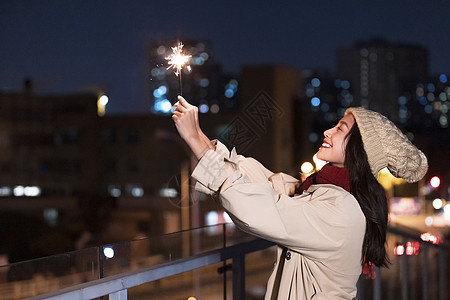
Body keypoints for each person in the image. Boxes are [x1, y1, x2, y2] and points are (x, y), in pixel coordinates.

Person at [172, 96, 428, 299]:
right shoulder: (319, 191)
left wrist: (194, 137)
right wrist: (199, 138)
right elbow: (257, 181)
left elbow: (256, 208)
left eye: (340, 128)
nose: (328, 131)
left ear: (359, 148)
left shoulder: (341, 211)